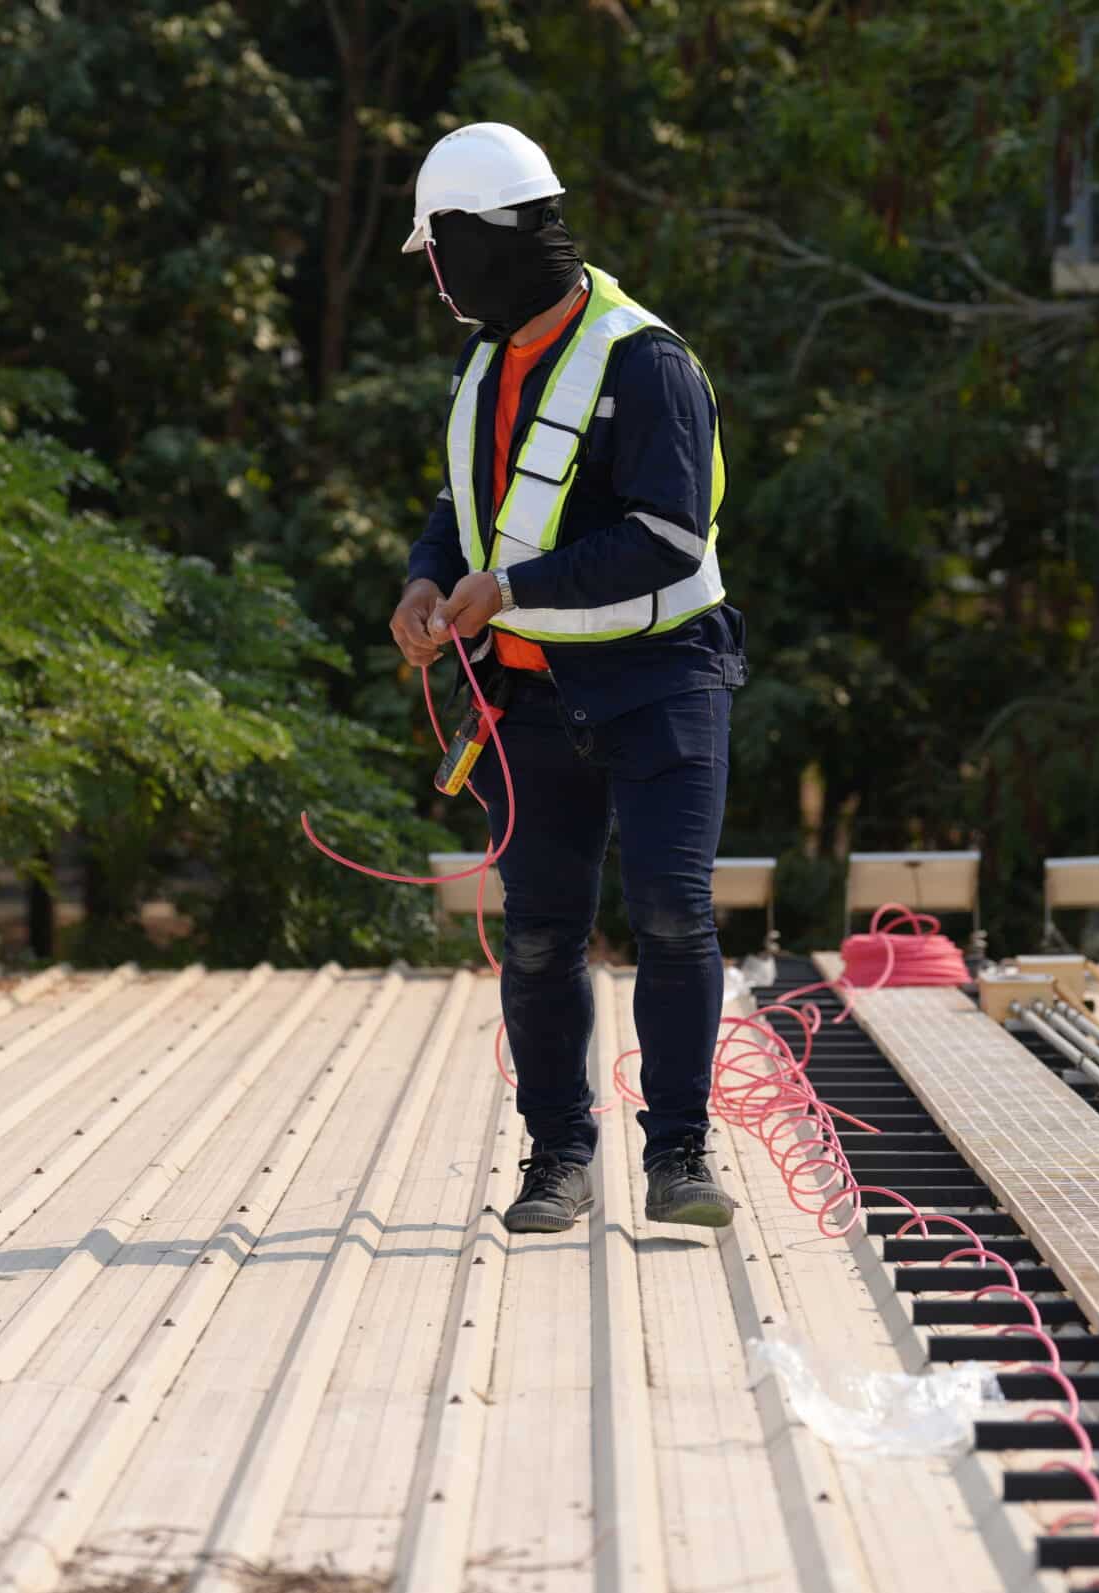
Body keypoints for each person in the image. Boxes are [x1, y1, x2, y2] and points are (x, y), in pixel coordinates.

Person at [389, 122, 748, 1235]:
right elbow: (462, 502)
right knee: (541, 932)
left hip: (660, 680)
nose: (436, 280)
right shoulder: (485, 360)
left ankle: (679, 1157)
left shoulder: (646, 363)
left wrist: (507, 590)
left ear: (480, 242)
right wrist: (424, 580)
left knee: (672, 916)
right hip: (526, 699)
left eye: (438, 252)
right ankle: (557, 1162)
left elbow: (666, 538)